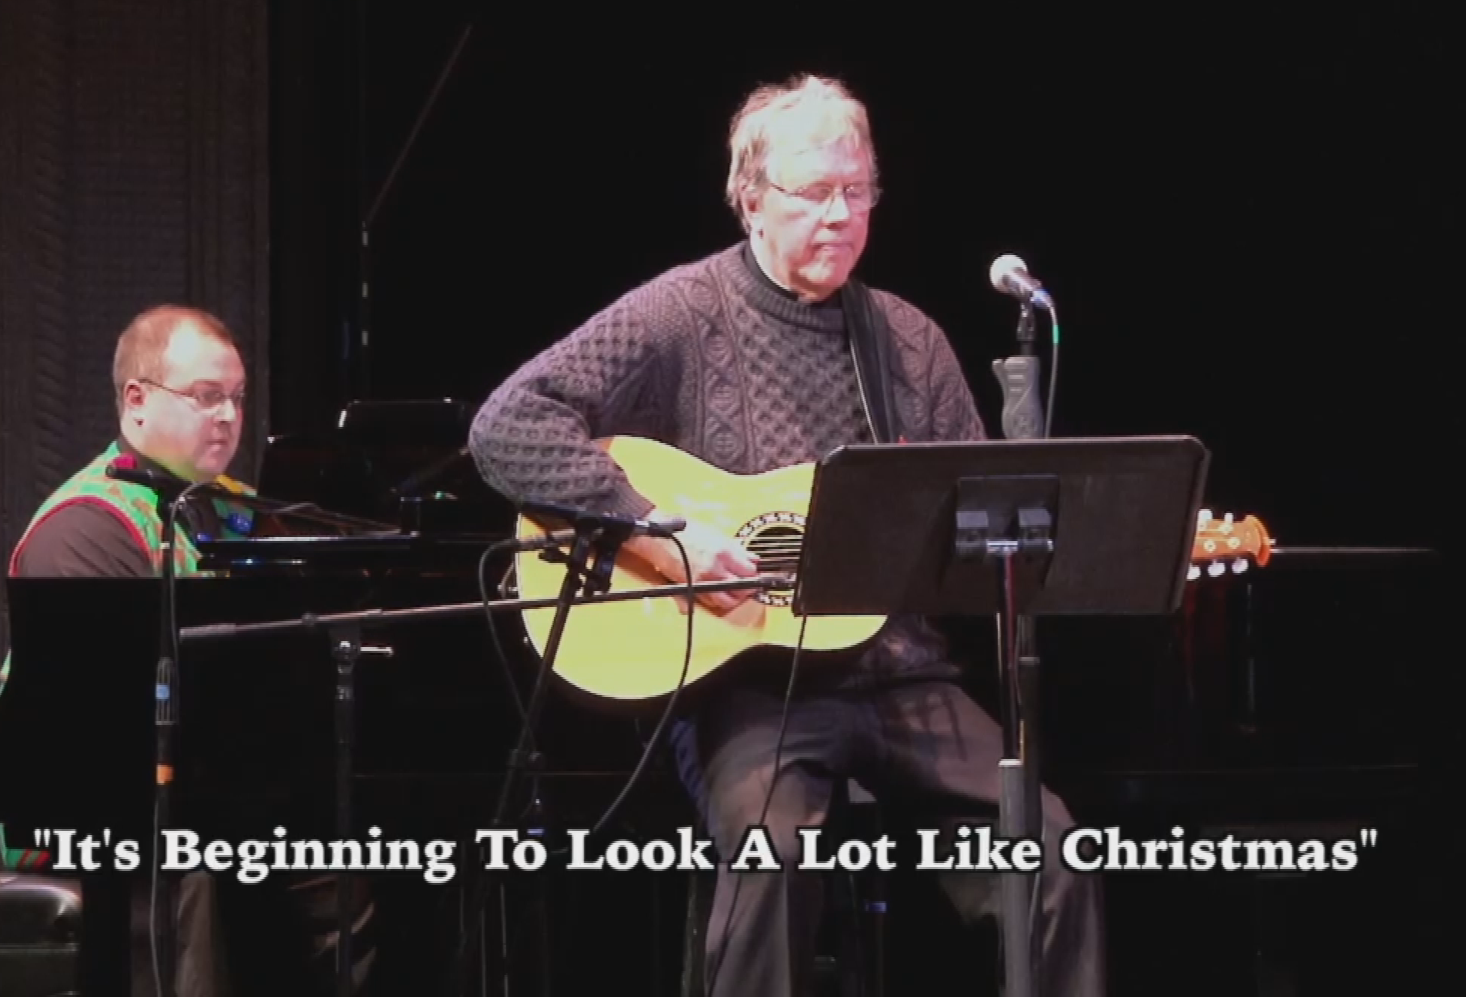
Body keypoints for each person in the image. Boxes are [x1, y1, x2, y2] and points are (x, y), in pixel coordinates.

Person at [465, 75, 1104, 996]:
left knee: (1053, 852)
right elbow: (509, 424)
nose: (841, 214)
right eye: (814, 192)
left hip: (903, 680)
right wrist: (658, 534)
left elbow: (970, 514)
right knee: (769, 853)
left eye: (859, 190)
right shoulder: (680, 312)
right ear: (751, 198)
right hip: (748, 686)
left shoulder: (910, 341)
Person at [0, 305, 371, 997]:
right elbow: (96, 719)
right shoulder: (86, 527)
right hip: (87, 806)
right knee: (205, 861)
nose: (228, 416)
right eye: (205, 397)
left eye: (235, 398)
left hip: (222, 788)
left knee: (384, 851)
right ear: (137, 399)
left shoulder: (236, 510)